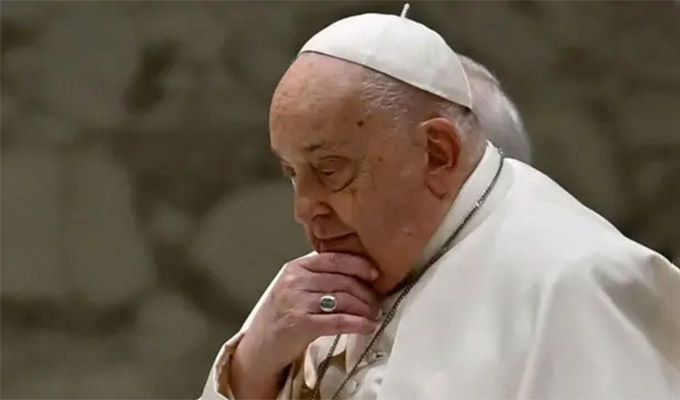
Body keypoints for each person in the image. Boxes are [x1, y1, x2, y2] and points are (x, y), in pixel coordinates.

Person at [200, 8, 680, 400]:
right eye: (291, 173)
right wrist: (253, 366)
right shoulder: (323, 275)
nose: (305, 208)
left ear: (438, 153)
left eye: (330, 170)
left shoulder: (575, 285)